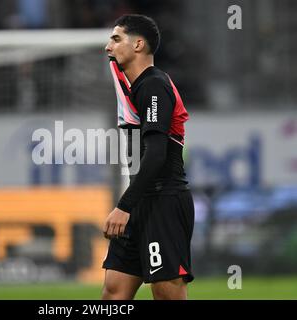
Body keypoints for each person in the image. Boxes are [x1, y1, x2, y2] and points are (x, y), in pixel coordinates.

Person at [102, 14, 195, 300]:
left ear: (139, 44)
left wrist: (124, 206)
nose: (108, 46)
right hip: (140, 201)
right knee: (114, 292)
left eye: (116, 39)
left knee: (165, 292)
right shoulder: (134, 87)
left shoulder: (154, 86)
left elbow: (155, 154)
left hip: (162, 202)